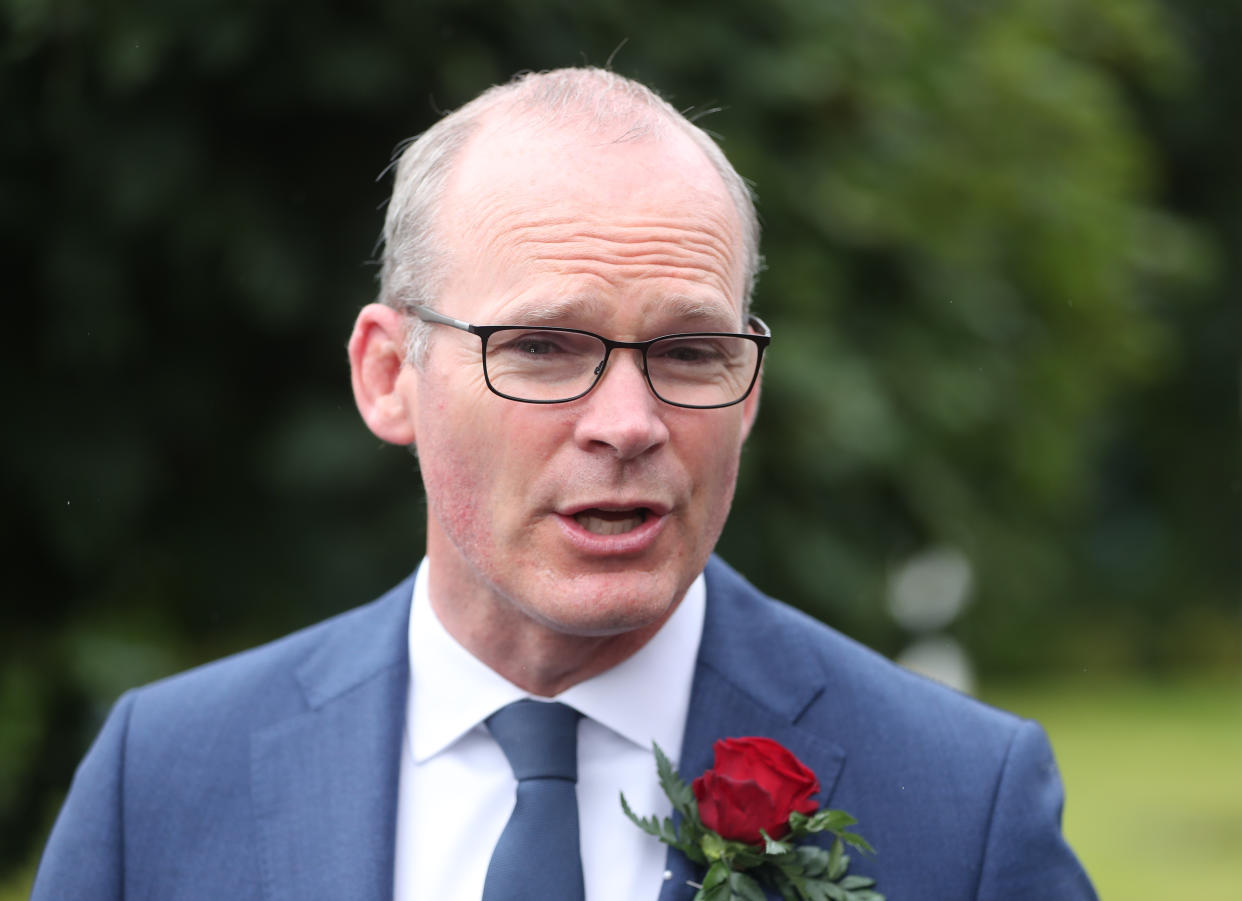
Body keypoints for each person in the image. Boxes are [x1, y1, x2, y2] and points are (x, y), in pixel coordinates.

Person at [32, 67, 1096, 900]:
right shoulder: (162, 778)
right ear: (389, 375)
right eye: (542, 346)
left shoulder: (961, 803)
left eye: (690, 352)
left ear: (752, 386)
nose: (629, 424)